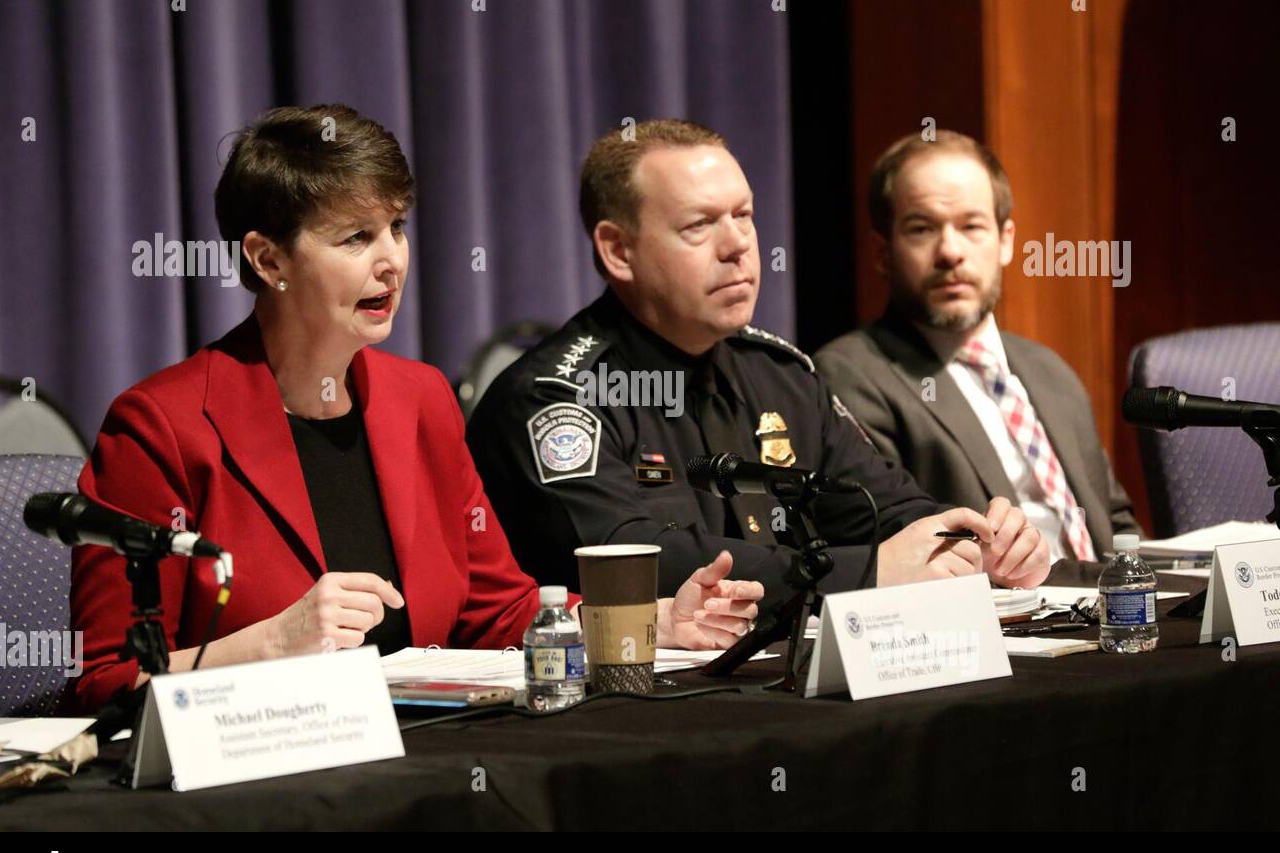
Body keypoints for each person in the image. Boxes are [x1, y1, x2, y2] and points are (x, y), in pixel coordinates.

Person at [68, 105, 762, 713]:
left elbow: (501, 610)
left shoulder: (420, 400)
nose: (392, 260)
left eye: (396, 227)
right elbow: (106, 683)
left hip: (421, 762)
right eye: (355, 238)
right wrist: (275, 641)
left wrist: (652, 620)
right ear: (268, 259)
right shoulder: (161, 426)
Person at [466, 119, 1051, 609]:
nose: (738, 245)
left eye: (743, 216)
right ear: (618, 250)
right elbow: (630, 561)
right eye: (700, 224)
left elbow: (883, 507)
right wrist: (866, 572)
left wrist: (973, 536)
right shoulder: (558, 397)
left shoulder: (779, 374)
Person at [814, 130, 1141, 561]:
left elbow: (1115, 524)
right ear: (882, 253)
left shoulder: (1048, 369)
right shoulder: (851, 374)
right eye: (921, 229)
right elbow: (895, 546)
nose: (951, 251)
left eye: (971, 226)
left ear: (1005, 241)